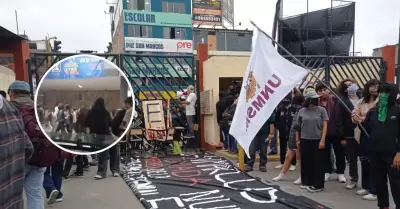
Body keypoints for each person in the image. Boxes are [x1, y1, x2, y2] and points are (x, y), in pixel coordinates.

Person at [8, 81, 60, 209]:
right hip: (41, 155)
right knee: (35, 193)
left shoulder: (9, 108)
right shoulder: (39, 107)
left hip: (18, 157)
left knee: (12, 196)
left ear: (12, 93)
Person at [364, 83, 400, 209]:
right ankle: (383, 205)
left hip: (393, 154)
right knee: (379, 182)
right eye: (381, 92)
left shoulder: (398, 111)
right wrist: (358, 121)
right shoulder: (374, 111)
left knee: (396, 183)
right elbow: (366, 128)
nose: (383, 95)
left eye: (387, 92)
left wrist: (399, 153)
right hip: (375, 152)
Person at [0, 93, 34, 209]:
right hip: (13, 199)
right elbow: (28, 148)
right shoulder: (12, 110)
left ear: (12, 93)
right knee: (35, 192)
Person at [295, 90, 328, 192]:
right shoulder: (301, 111)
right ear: (308, 100)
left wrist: (322, 140)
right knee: (306, 161)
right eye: (314, 98)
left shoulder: (322, 110)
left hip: (317, 139)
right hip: (304, 139)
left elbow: (325, 126)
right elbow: (297, 127)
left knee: (318, 163)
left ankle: (318, 185)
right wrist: (297, 140)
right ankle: (306, 181)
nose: (316, 100)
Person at [352, 79, 379, 201]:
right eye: (371, 86)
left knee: (374, 162)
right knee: (364, 160)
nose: (374, 88)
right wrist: (356, 117)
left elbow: (375, 118)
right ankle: (366, 186)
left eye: (376, 86)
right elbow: (354, 114)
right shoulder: (361, 102)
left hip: (375, 134)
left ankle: (374, 190)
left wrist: (362, 118)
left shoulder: (380, 102)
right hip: (362, 133)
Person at [316, 82, 346, 183]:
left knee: (340, 153)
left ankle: (340, 173)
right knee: (325, 153)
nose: (323, 92)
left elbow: (342, 117)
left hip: (337, 132)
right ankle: (327, 172)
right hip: (323, 133)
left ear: (329, 90)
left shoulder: (336, 100)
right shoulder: (316, 102)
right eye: (320, 91)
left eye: (325, 89)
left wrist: (343, 135)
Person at [334, 79, 360, 190]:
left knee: (365, 159)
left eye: (352, 84)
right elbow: (338, 120)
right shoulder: (342, 101)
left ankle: (369, 184)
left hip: (363, 133)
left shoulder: (363, 99)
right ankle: (353, 180)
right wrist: (342, 136)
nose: (351, 87)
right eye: (348, 86)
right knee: (352, 159)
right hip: (349, 134)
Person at [273, 95, 304, 184]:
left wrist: (298, 139)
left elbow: (299, 126)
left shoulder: (302, 111)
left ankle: (302, 176)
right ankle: (281, 174)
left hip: (298, 138)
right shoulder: (297, 110)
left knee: (299, 159)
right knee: (288, 157)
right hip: (292, 136)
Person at [84, 98, 115, 179]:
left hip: (94, 134)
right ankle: (104, 171)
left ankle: (98, 166)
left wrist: (89, 132)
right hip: (105, 134)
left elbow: (86, 123)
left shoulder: (91, 111)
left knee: (98, 151)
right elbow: (111, 123)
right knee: (104, 153)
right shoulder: (105, 112)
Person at [274, 95, 297, 170]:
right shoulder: (280, 109)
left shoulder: (294, 109)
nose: (285, 101)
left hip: (292, 132)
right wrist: (279, 127)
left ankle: (293, 164)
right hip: (283, 131)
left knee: (292, 148)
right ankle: (282, 162)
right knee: (282, 147)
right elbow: (276, 119)